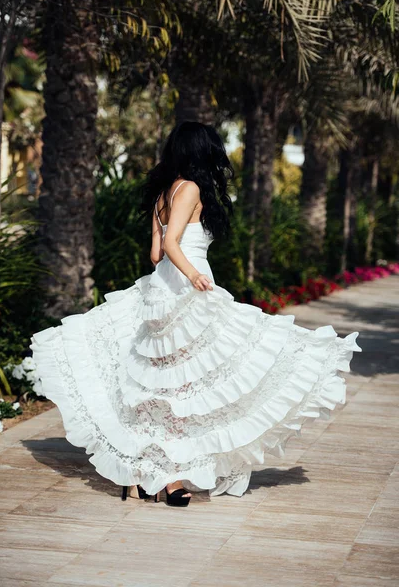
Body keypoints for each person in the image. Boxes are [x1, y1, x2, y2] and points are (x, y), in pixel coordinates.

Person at [30, 121, 361, 508]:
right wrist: (195, 276)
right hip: (185, 289)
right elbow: (172, 244)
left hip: (162, 289)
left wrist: (180, 265)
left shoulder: (163, 194)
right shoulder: (190, 188)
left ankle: (144, 476)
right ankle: (169, 478)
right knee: (194, 383)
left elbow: (155, 255)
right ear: (202, 152)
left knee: (169, 389)